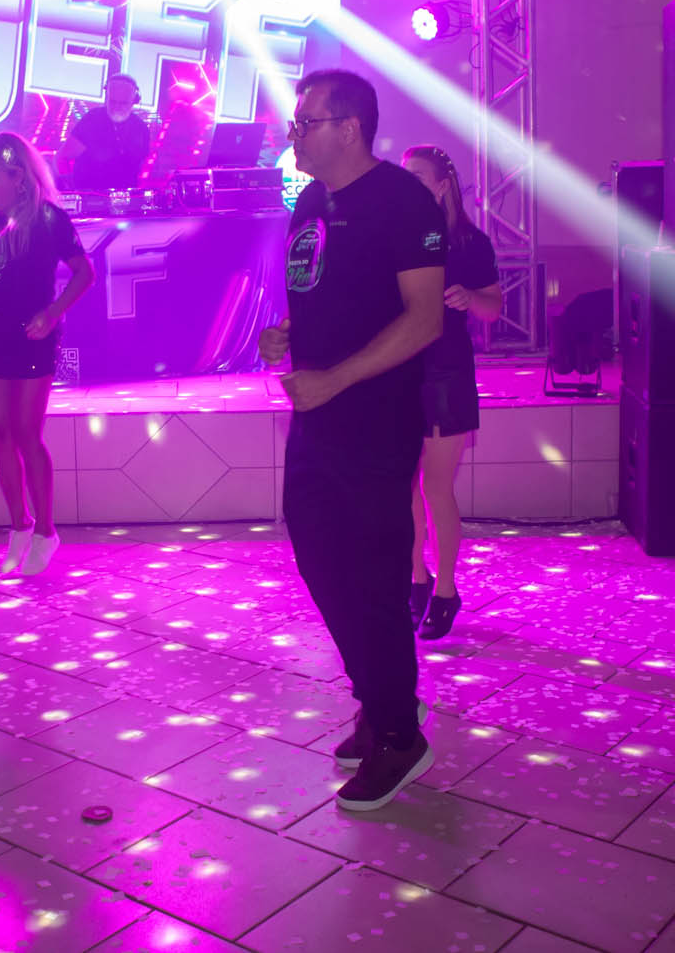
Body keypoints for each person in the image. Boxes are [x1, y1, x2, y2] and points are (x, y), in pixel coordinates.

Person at [260, 70, 445, 811]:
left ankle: (399, 734)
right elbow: (326, 296)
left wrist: (336, 378)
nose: (293, 134)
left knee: (370, 576)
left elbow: (425, 317)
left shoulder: (402, 200)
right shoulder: (311, 201)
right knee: (319, 559)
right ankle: (379, 694)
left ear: (349, 128)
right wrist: (287, 334)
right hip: (318, 416)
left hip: (375, 419)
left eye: (305, 122)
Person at [0, 133, 93, 576]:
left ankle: (45, 530)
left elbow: (84, 273)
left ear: (19, 177)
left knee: (26, 433)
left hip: (34, 335)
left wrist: (53, 313)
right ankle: (18, 526)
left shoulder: (48, 217)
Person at [400, 145, 501, 640]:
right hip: (399, 370)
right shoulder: (395, 234)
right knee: (402, 486)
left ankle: (445, 589)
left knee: (436, 487)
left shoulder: (468, 242)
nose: (408, 182)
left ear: (442, 185)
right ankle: (415, 578)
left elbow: (492, 308)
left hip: (445, 373)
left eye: (418, 176)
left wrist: (470, 297)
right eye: (405, 175)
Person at [60, 73, 151, 191]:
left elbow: (143, 168)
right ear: (106, 99)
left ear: (134, 101)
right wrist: (71, 189)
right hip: (90, 196)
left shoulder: (140, 128)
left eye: (123, 103)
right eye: (112, 101)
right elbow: (63, 157)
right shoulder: (92, 120)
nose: (117, 107)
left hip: (125, 198)